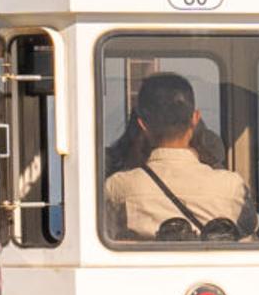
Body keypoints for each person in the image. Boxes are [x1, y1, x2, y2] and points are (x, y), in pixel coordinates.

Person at [102, 71, 245, 239]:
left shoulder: (117, 187)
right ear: (195, 118)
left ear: (142, 124)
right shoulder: (232, 186)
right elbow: (248, 229)